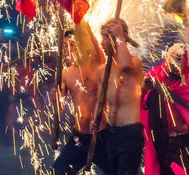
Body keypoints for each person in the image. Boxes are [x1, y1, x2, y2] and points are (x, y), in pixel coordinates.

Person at [142, 43, 189, 175]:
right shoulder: (153, 75)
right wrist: (144, 87)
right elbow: (139, 96)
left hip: (187, 141)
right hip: (164, 141)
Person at [53, 24, 109, 175]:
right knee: (60, 169)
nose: (68, 49)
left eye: (72, 44)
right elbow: (60, 108)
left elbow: (97, 50)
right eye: (65, 46)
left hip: (103, 134)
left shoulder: (95, 63)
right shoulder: (65, 73)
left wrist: (84, 24)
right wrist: (56, 99)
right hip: (80, 137)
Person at [92, 19, 144, 175]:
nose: (101, 43)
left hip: (130, 133)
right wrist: (97, 119)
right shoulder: (102, 70)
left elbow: (125, 66)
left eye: (106, 38)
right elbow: (101, 99)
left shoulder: (135, 63)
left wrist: (119, 34)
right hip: (111, 131)